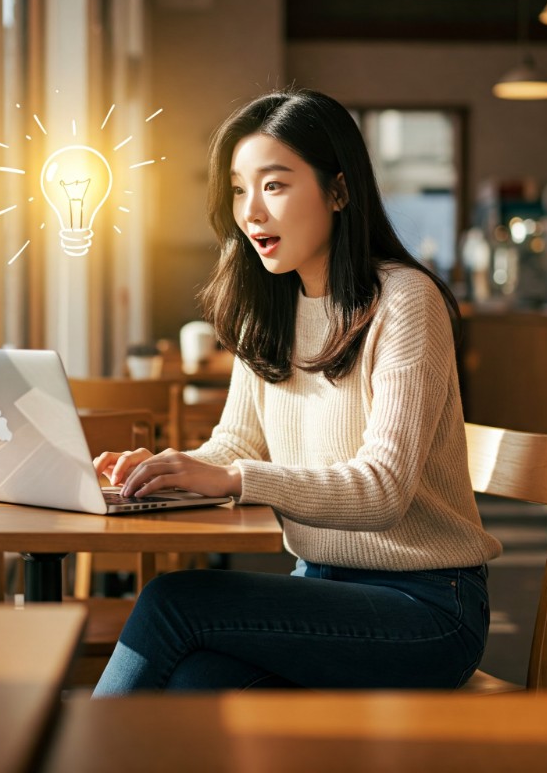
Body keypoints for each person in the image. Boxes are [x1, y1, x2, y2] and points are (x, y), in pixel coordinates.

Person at [92, 88, 502, 694]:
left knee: (174, 601)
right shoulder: (269, 306)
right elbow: (235, 445)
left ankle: (72, 744)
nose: (251, 212)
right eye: (239, 189)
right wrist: (162, 472)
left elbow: (384, 491)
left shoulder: (404, 302)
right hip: (321, 587)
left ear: (338, 191)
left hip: (427, 607)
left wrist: (235, 479)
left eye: (275, 185)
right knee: (196, 683)